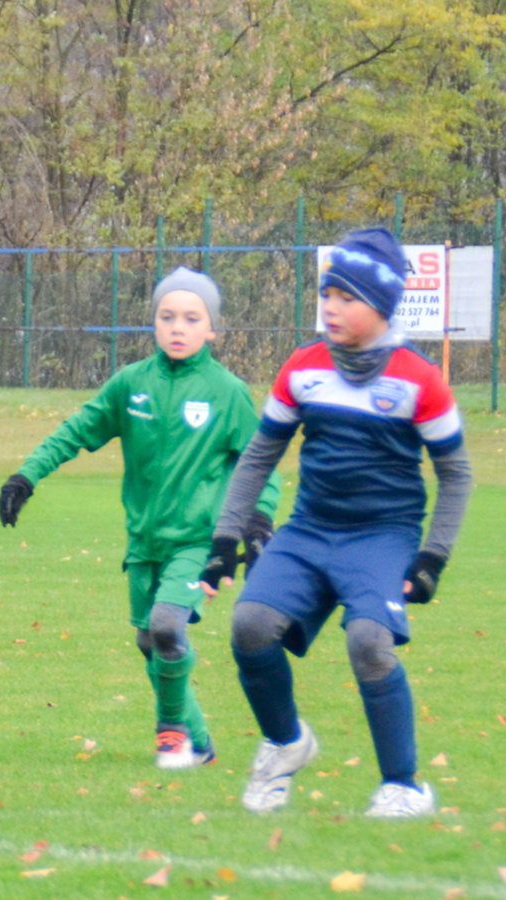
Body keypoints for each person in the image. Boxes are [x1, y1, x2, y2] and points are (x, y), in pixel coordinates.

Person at [200, 228, 472, 819]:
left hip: (384, 536)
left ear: (383, 306)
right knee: (250, 625)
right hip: (309, 530)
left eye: (347, 297)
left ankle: (403, 786)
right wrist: (225, 537)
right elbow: (257, 457)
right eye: (326, 293)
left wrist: (433, 556)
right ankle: (285, 743)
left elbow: (456, 475)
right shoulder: (303, 367)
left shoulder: (420, 378)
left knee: (369, 643)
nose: (330, 306)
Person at [0, 267, 279, 770]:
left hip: (198, 541)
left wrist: (258, 523)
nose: (177, 327)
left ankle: (171, 735)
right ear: (153, 322)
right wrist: (26, 476)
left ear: (212, 330)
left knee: (167, 627)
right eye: (167, 316)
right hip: (144, 543)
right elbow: (76, 430)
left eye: (191, 318)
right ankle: (200, 741)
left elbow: (261, 464)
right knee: (150, 641)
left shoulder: (227, 391)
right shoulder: (132, 383)